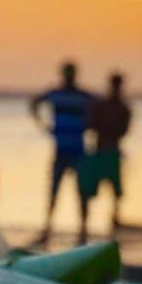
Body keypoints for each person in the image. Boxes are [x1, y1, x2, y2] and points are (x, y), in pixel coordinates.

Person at [30, 61, 94, 244]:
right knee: (53, 191)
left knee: (81, 192)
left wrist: (90, 125)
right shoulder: (56, 94)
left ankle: (83, 233)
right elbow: (35, 102)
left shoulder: (84, 96)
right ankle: (47, 230)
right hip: (61, 149)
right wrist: (43, 125)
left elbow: (100, 107)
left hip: (79, 150)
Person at [78, 72, 132, 244]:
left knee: (115, 193)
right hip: (100, 151)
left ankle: (112, 227)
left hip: (111, 152)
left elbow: (123, 130)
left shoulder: (122, 108)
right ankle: (84, 230)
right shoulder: (102, 105)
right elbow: (90, 124)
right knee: (88, 191)